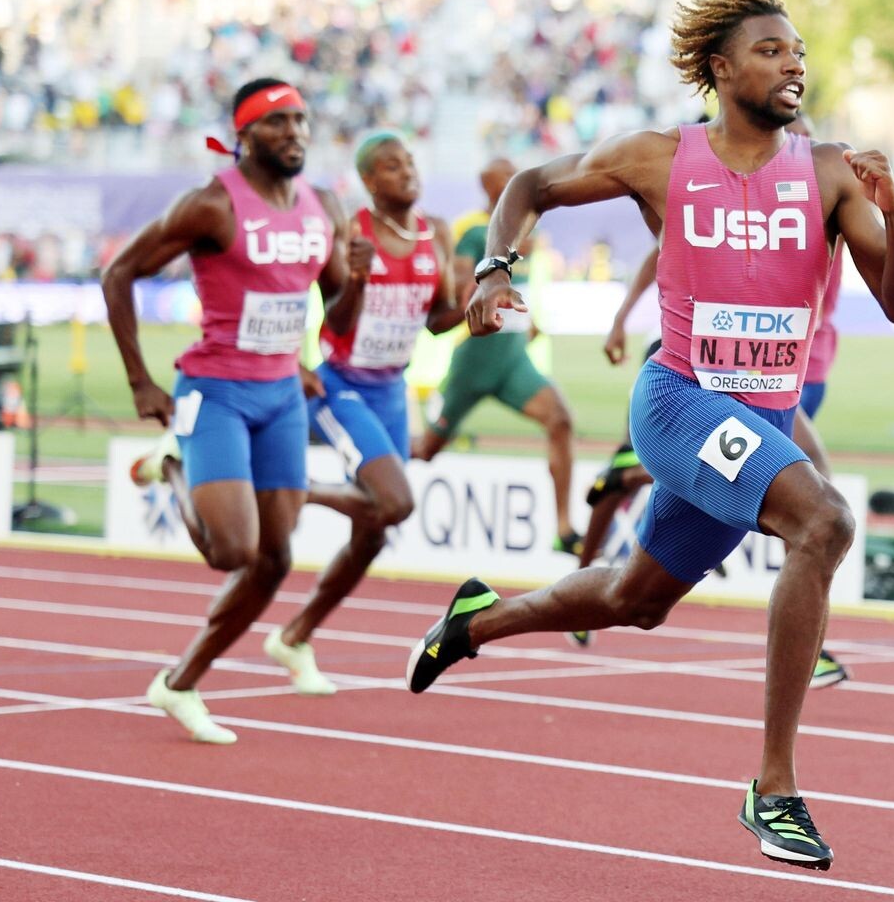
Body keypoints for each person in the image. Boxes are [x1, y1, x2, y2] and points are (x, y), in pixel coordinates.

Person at [405, 0, 894, 871]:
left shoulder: (830, 173)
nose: (793, 64)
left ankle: (474, 623)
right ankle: (775, 788)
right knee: (824, 521)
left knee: (633, 601)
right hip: (679, 400)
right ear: (721, 69)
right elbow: (533, 186)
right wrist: (495, 269)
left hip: (759, 416)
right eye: (771, 50)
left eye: (799, 52)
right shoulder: (661, 157)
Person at [103, 78, 370, 744]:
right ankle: (172, 463)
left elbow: (336, 313)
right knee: (232, 551)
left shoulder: (324, 207)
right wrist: (140, 382)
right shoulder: (212, 206)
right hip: (216, 390)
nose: (295, 133)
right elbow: (119, 273)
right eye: (278, 123)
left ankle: (179, 683)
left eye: (301, 121)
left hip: (281, 395)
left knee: (274, 560)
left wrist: (359, 282)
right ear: (244, 135)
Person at [574, 117, 849, 691]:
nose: (795, 143)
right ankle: (810, 654)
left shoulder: (822, 176)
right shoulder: (704, 169)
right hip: (709, 377)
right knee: (818, 508)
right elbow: (660, 246)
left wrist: (892, 214)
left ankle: (632, 474)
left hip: (794, 372)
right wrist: (622, 316)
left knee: (640, 599)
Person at [263, 131, 461, 695]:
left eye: (411, 162)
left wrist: (478, 302)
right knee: (395, 503)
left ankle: (295, 637)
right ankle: (297, 490)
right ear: (370, 181)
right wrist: (355, 277)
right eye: (393, 166)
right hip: (341, 386)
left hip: (391, 390)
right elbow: (336, 320)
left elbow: (438, 321)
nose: (408, 172)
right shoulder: (353, 232)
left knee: (372, 534)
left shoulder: (435, 232)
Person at [410, 159, 582, 555]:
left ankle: (564, 528)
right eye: (506, 178)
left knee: (560, 420)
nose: (516, 181)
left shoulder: (526, 232)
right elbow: (460, 287)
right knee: (426, 450)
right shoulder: (475, 233)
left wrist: (529, 320)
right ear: (490, 188)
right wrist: (470, 294)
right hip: (473, 364)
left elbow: (517, 286)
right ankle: (377, 459)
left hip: (513, 360)